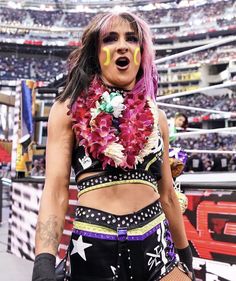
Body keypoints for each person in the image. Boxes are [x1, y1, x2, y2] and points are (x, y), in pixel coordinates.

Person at [32, 12, 195, 281]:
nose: (123, 45)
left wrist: (185, 252)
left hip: (156, 248)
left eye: (132, 39)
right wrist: (44, 262)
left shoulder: (157, 116)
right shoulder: (68, 109)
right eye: (110, 39)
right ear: (96, 53)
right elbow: (56, 191)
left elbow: (167, 194)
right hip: (93, 251)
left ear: (141, 53)